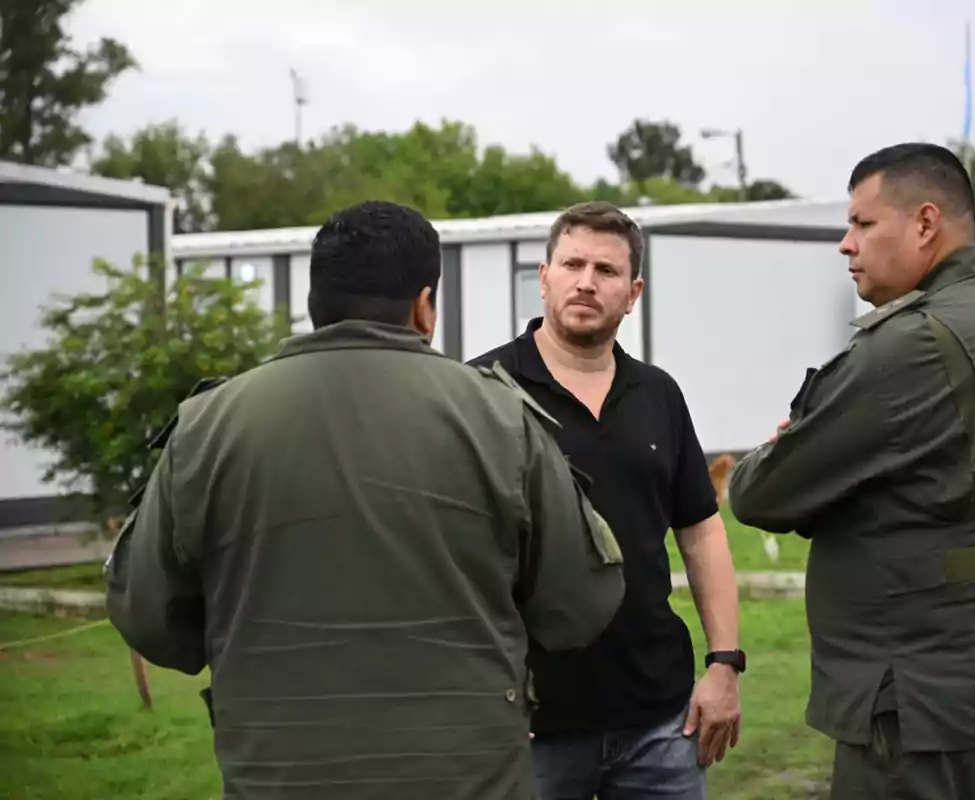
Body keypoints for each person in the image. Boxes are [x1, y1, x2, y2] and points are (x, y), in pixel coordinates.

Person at [104, 200, 627, 800]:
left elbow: (148, 614)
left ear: (313, 303)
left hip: (278, 775)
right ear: (424, 306)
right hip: (466, 776)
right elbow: (579, 603)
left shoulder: (208, 425)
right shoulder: (500, 418)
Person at [727, 143, 975, 800]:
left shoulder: (913, 343)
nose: (845, 244)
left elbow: (759, 494)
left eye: (862, 223)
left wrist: (793, 451)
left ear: (924, 223)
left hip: (927, 696)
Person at [468, 201, 743, 800]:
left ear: (633, 291)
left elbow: (701, 531)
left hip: (658, 721)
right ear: (544, 278)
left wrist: (724, 661)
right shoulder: (481, 392)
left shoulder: (658, 395)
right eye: (571, 264)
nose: (586, 282)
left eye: (606, 270)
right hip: (528, 721)